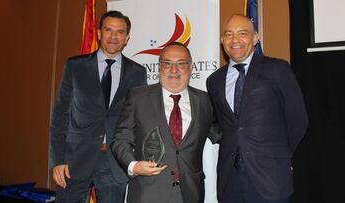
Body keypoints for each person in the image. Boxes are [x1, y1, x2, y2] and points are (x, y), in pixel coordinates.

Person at [206, 14, 308, 203]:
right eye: (228, 34)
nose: (234, 40)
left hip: (270, 178)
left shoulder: (277, 70)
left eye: (242, 33)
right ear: (222, 40)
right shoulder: (214, 81)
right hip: (230, 181)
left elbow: (298, 119)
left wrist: (281, 156)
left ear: (255, 38)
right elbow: (220, 123)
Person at [49, 10, 147, 202]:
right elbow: (60, 116)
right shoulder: (75, 66)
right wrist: (58, 160)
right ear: (100, 33)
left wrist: (133, 160)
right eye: (108, 30)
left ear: (127, 38)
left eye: (120, 32)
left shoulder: (137, 72)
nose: (113, 36)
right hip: (74, 161)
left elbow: (138, 120)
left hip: (114, 162)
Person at [110, 42, 221, 203]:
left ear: (191, 67)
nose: (174, 70)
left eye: (181, 64)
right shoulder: (138, 98)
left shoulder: (204, 101)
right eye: (167, 63)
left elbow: (222, 133)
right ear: (159, 67)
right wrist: (134, 166)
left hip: (190, 193)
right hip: (147, 193)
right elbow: (120, 140)